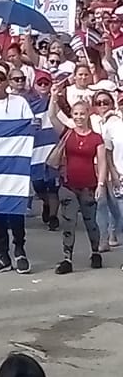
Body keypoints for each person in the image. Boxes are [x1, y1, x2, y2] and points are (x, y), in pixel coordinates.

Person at [49, 96, 106, 275]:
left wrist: (101, 184)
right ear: (72, 115)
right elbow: (52, 117)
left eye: (82, 113)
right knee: (68, 222)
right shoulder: (68, 133)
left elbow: (102, 162)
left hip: (89, 185)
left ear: (88, 114)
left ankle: (95, 252)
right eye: (76, 114)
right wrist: (53, 97)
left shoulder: (96, 138)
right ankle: (67, 258)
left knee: (91, 222)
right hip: (68, 185)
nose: (79, 117)